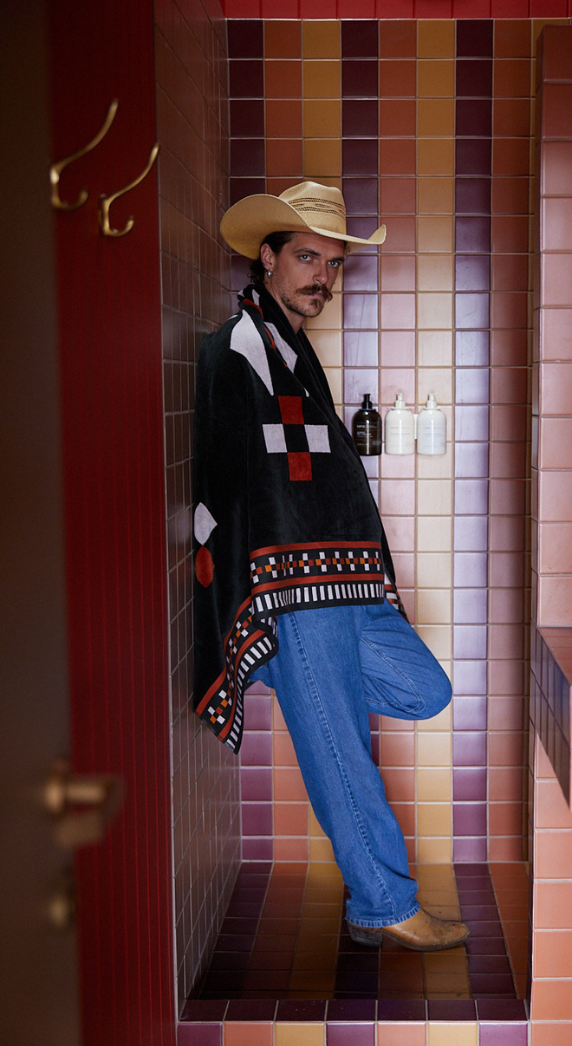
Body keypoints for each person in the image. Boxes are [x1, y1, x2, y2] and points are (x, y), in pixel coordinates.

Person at [191, 181, 467, 951]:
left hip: (340, 578)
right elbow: (232, 475)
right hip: (298, 584)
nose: (322, 276)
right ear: (268, 257)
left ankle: (286, 669)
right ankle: (383, 901)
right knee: (342, 738)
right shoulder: (239, 346)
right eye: (307, 258)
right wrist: (257, 600)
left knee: (424, 687)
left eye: (334, 264)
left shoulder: (289, 347)